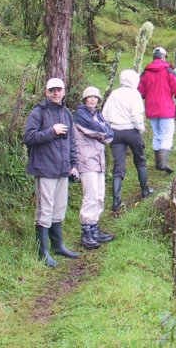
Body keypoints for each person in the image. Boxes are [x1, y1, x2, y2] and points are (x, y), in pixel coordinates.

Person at [23, 77, 80, 267]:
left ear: (64, 92)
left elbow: (72, 142)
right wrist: (52, 131)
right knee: (45, 210)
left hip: (63, 169)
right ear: (46, 92)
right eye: (52, 90)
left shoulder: (66, 113)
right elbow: (29, 137)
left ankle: (58, 246)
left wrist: (74, 164)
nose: (56, 93)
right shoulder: (38, 112)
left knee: (59, 209)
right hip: (45, 168)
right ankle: (43, 252)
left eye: (59, 90)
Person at [102, 69, 153, 212]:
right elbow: (136, 115)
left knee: (118, 166)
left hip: (115, 132)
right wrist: (140, 129)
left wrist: (109, 128)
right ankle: (145, 190)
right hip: (131, 131)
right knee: (140, 160)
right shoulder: (134, 94)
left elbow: (104, 114)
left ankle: (116, 201)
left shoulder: (114, 94)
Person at [73, 86, 115, 249]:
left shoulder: (98, 115)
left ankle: (94, 229)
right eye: (89, 97)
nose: (92, 99)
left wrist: (102, 132)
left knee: (99, 195)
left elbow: (110, 135)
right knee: (90, 196)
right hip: (85, 159)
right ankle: (86, 233)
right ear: (84, 99)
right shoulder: (80, 114)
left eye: (95, 97)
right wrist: (102, 132)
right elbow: (94, 129)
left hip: (99, 160)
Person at [138, 47, 176, 174]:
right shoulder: (169, 70)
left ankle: (158, 163)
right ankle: (163, 163)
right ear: (163, 57)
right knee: (166, 135)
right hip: (166, 107)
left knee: (157, 134)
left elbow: (140, 91)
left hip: (151, 108)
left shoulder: (146, 71)